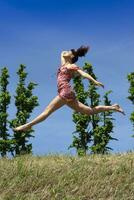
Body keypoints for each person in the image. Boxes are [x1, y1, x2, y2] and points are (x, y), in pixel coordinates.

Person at [14, 45, 125, 131]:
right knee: (89, 111)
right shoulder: (64, 64)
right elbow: (62, 53)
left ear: (71, 57)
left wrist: (94, 81)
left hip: (65, 91)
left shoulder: (72, 66)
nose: (65, 52)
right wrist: (73, 52)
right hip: (67, 93)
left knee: (47, 111)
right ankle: (114, 107)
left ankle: (28, 125)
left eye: (68, 52)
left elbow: (83, 74)